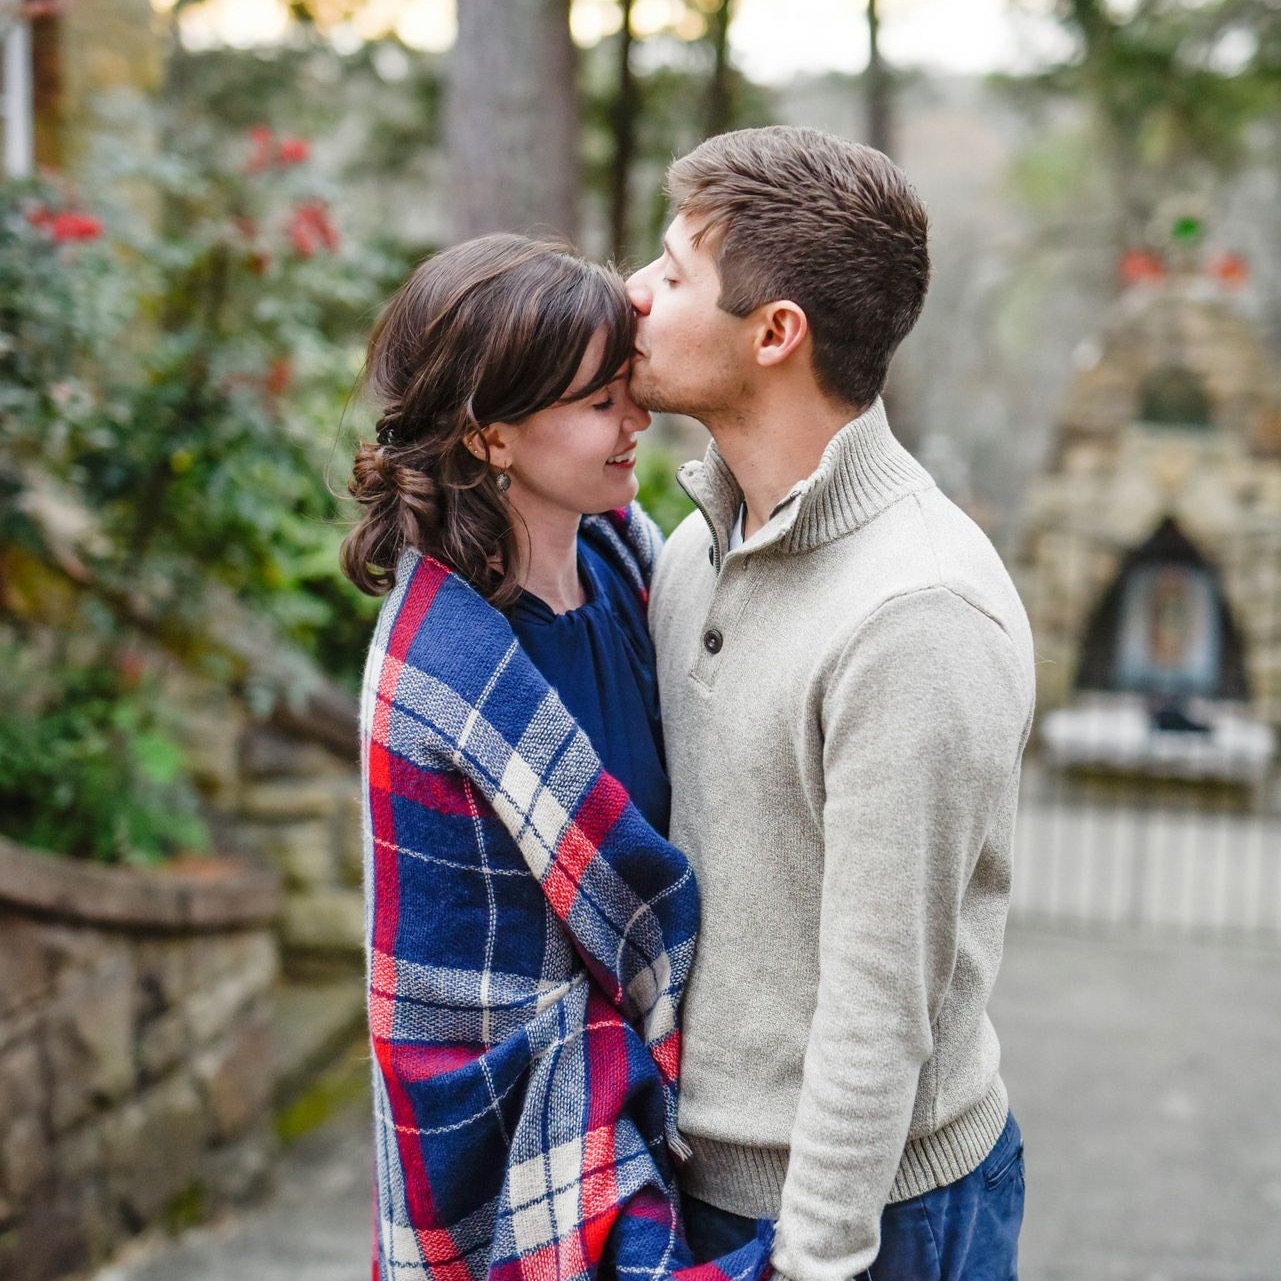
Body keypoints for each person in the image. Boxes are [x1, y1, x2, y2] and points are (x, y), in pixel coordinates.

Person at [626, 126, 1036, 1281]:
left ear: (774, 333)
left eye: (671, 273)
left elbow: (877, 1009)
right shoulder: (691, 555)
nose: (633, 295)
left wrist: (816, 1259)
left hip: (870, 1220)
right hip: (692, 1186)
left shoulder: (917, 615)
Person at [340, 233, 771, 1281]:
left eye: (629, 388)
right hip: (553, 1141)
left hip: (698, 1114)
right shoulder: (439, 673)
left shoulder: (635, 571)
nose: (638, 421)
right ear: (491, 437)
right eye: (598, 404)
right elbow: (455, 1022)